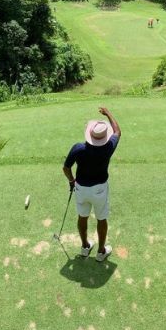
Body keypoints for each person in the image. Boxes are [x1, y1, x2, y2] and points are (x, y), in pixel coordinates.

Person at [62, 107, 121, 261]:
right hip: (100, 190)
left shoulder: (78, 148)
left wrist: (71, 181)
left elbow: (66, 168)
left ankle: (85, 247)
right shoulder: (108, 148)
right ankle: (101, 252)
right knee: (102, 219)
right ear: (104, 137)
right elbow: (117, 132)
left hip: (81, 188)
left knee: (82, 216)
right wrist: (108, 113)